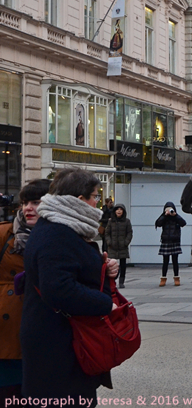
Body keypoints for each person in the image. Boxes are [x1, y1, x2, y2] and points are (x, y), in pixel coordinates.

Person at [20, 168, 119, 404]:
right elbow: (59, 289)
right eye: (95, 195)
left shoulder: (60, 227)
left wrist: (103, 267)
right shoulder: (57, 232)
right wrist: (106, 304)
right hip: (58, 344)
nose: (97, 202)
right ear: (79, 200)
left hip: (60, 339)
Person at [0, 179, 50, 398]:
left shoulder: (63, 235)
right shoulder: (5, 234)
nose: (28, 208)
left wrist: (109, 267)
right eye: (25, 202)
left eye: (36, 202)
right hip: (7, 329)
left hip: (44, 326)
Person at [156, 201, 186, 287]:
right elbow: (158, 223)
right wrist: (164, 215)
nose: (169, 212)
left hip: (175, 241)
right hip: (166, 241)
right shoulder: (164, 218)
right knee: (165, 261)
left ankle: (176, 278)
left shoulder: (176, 218)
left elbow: (183, 223)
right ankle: (163, 278)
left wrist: (175, 215)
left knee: (175, 261)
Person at [105, 203, 133, 288]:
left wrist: (125, 242)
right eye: (117, 209)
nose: (119, 211)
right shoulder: (110, 221)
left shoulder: (127, 221)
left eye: (121, 209)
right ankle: (112, 280)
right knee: (111, 265)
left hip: (122, 246)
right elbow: (107, 233)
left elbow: (129, 233)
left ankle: (121, 281)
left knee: (123, 264)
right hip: (112, 247)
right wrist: (109, 242)